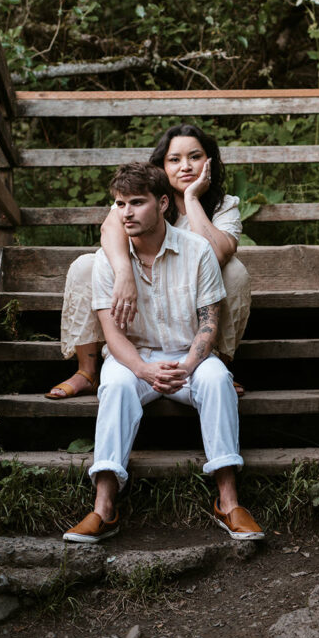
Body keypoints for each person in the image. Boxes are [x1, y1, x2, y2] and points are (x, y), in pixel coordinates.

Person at [62, 162, 264, 543]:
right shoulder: (108, 261)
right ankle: (104, 508)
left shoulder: (198, 251)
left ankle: (228, 501)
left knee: (217, 378)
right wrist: (143, 370)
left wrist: (189, 364)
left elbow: (209, 323)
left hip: (189, 355)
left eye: (137, 202)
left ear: (164, 203)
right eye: (120, 204)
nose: (126, 212)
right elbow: (111, 333)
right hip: (133, 358)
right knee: (116, 387)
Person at [46, 124, 251, 400]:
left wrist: (191, 198)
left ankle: (216, 367)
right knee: (86, 265)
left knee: (235, 272)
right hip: (142, 287)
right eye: (174, 159)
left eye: (195, 157)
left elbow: (217, 254)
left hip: (193, 295)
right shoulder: (141, 197)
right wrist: (123, 273)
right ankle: (87, 371)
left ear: (209, 162)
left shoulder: (224, 205)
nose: (186, 166)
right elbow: (110, 229)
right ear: (161, 166)